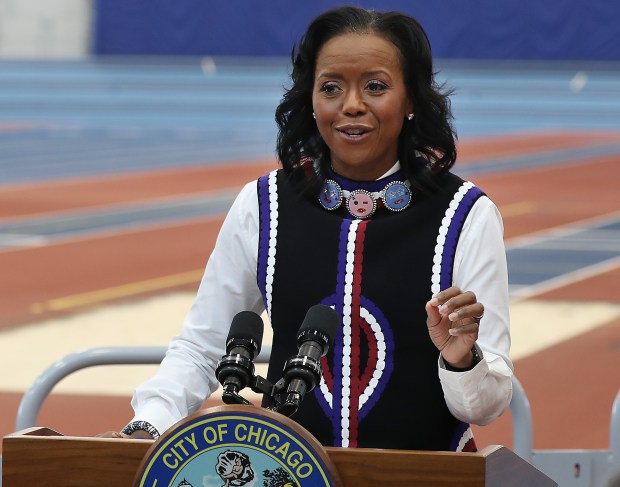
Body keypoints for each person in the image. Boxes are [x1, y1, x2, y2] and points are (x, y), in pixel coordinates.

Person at [102, 5, 513, 451]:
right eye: (331, 87)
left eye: (375, 86)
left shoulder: (465, 214)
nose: (352, 105)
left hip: (427, 477)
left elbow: (485, 407)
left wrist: (461, 360)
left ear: (411, 98)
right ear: (310, 97)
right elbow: (203, 346)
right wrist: (149, 424)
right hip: (289, 475)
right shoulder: (264, 205)